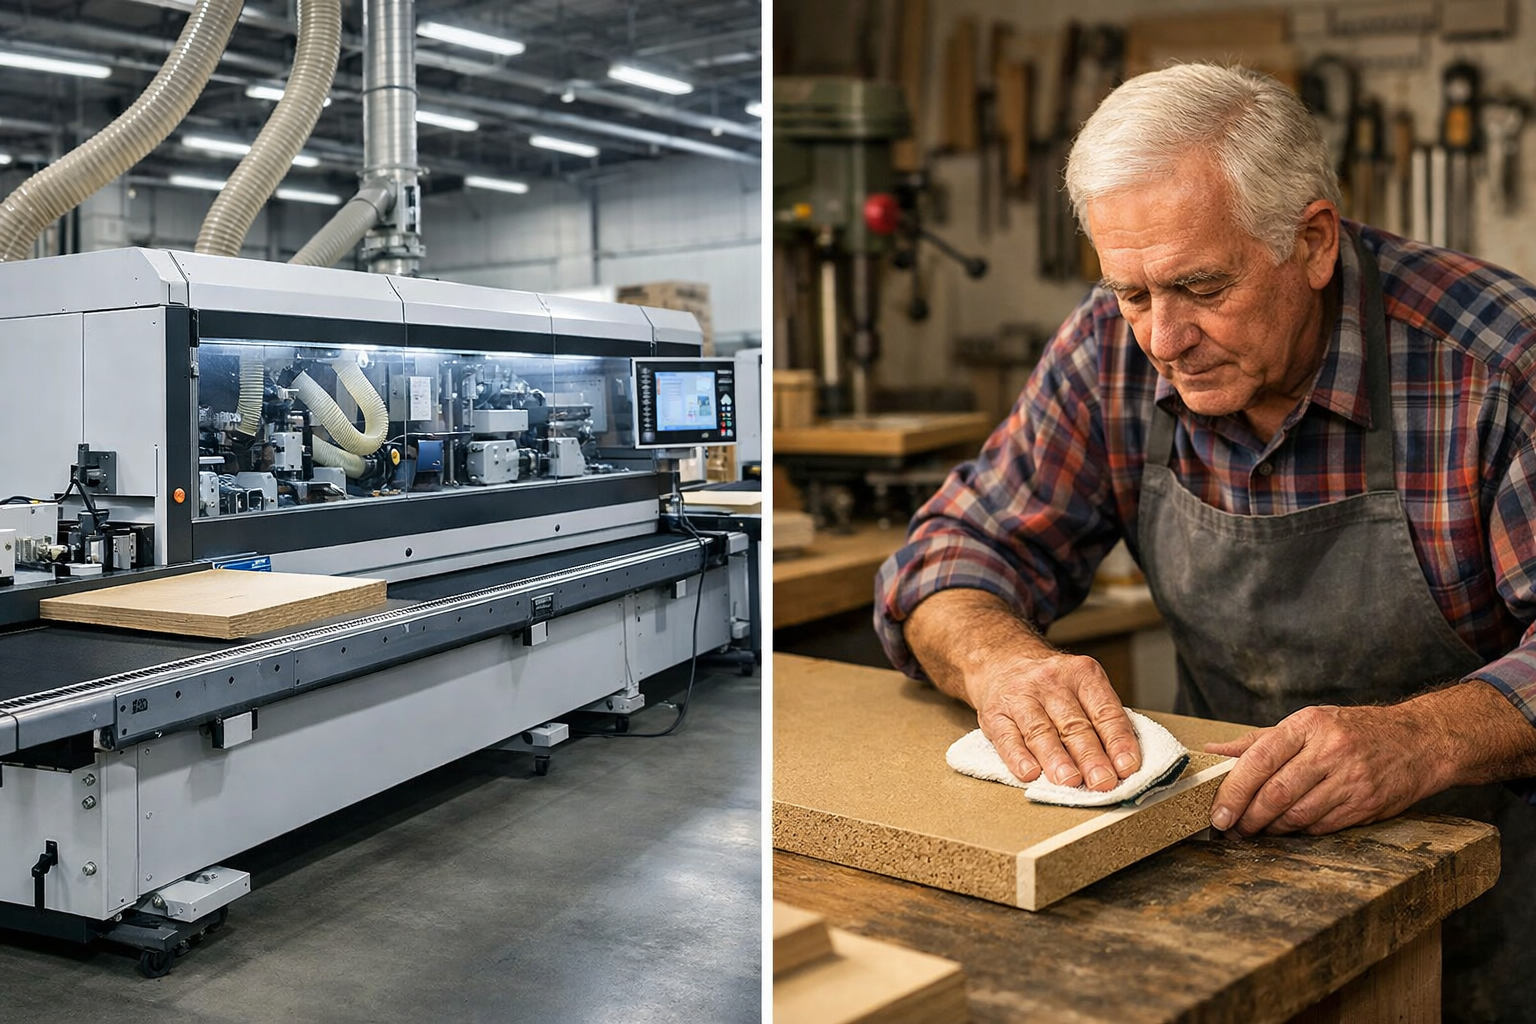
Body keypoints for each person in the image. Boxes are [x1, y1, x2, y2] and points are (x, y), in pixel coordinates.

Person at [873, 62, 1536, 1022]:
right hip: (1222, 878)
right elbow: (946, 555)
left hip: (1481, 890)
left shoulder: (1495, 365)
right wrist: (1001, 661)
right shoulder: (1110, 344)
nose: (1163, 338)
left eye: (1200, 286)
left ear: (1311, 242)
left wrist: (1428, 737)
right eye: (1133, 293)